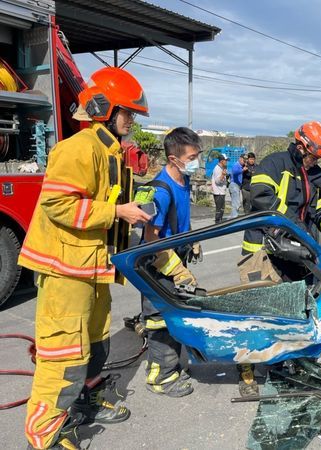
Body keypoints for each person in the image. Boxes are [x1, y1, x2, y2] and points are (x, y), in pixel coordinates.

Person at [17, 67, 151, 450]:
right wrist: (117, 214)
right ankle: (46, 439)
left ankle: (83, 404)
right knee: (62, 359)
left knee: (94, 347)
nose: (131, 121)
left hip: (93, 270)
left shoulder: (110, 152)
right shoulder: (78, 149)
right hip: (66, 273)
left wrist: (131, 209)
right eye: (128, 113)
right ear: (104, 108)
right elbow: (58, 205)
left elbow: (104, 201)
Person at [238, 121, 321, 397]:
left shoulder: (314, 173)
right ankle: (246, 371)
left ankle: (281, 364)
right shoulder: (274, 164)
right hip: (262, 252)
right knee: (257, 314)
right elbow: (261, 198)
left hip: (294, 253)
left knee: (290, 313)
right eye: (312, 156)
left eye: (319, 158)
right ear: (301, 147)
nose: (314, 162)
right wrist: (296, 226)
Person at [141, 127, 202, 397]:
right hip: (158, 266)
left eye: (197, 154)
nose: (196, 161)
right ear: (174, 158)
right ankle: (161, 379)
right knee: (161, 322)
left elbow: (181, 219)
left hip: (177, 255)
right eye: (192, 157)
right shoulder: (161, 191)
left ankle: (173, 367)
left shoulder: (183, 181)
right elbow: (150, 240)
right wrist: (177, 271)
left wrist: (193, 240)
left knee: (176, 316)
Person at [211, 154, 228, 223]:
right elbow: (217, 181)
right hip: (218, 192)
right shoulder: (217, 169)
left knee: (222, 208)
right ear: (221, 161)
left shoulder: (222, 168)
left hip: (222, 191)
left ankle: (220, 221)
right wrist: (222, 175)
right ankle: (217, 222)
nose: (227, 162)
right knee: (219, 209)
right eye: (225, 160)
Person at [228, 154, 245, 219]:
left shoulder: (241, 166)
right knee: (236, 202)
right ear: (240, 159)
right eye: (244, 160)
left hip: (237, 186)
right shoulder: (236, 165)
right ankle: (234, 217)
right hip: (234, 185)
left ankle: (233, 217)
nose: (244, 162)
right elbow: (235, 172)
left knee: (236, 202)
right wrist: (242, 170)